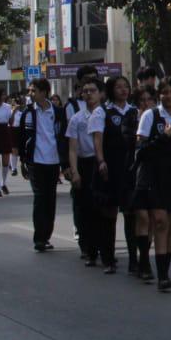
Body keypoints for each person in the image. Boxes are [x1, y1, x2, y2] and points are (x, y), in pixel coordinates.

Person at [133, 78, 171, 291]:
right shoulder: (150, 116)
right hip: (152, 173)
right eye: (165, 92)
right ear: (159, 95)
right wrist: (162, 137)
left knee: (169, 224)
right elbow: (141, 150)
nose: (169, 96)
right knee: (158, 221)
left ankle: (165, 270)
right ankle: (159, 274)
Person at [18, 78, 68, 252]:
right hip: (35, 162)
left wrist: (65, 162)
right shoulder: (28, 113)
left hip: (53, 162)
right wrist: (23, 161)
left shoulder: (58, 112)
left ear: (44, 92)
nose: (31, 94)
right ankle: (39, 238)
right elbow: (22, 137)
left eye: (34, 90)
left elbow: (63, 137)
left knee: (50, 199)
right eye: (30, 91)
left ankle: (46, 235)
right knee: (39, 199)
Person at [93, 76, 136, 276]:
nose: (123, 90)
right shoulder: (103, 111)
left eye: (125, 86)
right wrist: (101, 161)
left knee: (131, 215)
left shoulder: (134, 111)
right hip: (110, 168)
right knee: (108, 215)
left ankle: (134, 261)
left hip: (130, 169)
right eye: (119, 87)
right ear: (111, 90)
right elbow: (98, 139)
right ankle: (108, 259)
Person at [67, 78, 104, 265]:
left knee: (102, 209)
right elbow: (72, 148)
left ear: (101, 93)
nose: (89, 94)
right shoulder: (76, 118)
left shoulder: (105, 115)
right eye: (85, 91)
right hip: (84, 164)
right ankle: (88, 249)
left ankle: (104, 249)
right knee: (84, 210)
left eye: (93, 90)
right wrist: (74, 172)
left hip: (101, 163)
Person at [128, 85, 157, 278]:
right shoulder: (131, 120)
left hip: (157, 173)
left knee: (155, 218)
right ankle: (141, 260)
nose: (146, 104)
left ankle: (144, 255)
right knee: (142, 217)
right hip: (135, 172)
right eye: (142, 100)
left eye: (149, 100)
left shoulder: (159, 118)